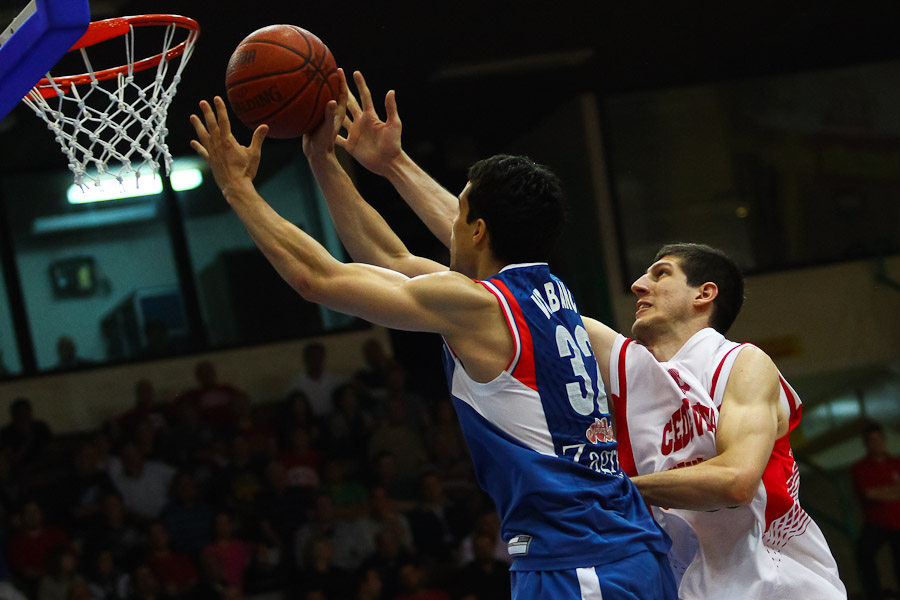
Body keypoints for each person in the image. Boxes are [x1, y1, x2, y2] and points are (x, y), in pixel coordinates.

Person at [322, 71, 846, 598]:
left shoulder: (742, 364)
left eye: (661, 274)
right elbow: (496, 257)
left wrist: (607, 490)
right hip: (688, 583)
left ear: (704, 294)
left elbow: (735, 481)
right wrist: (394, 165)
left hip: (777, 584)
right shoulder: (628, 363)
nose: (639, 283)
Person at [189, 70, 675, 599]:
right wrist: (324, 160)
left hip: (579, 562)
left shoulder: (478, 307)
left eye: (461, 211)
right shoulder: (548, 292)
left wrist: (238, 190)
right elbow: (390, 256)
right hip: (621, 548)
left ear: (479, 230)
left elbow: (317, 279)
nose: (452, 221)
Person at [852, 421, 900, 600]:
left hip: (898, 522)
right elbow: (870, 493)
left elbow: (876, 492)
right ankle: (875, 594)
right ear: (866, 444)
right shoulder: (861, 468)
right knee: (864, 553)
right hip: (876, 523)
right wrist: (893, 491)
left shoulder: (895, 463)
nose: (877, 444)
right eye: (872, 440)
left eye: (879, 439)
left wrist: (882, 492)